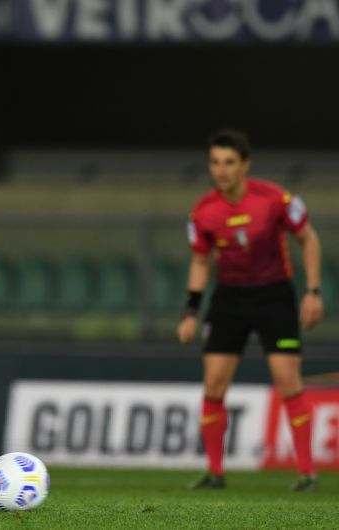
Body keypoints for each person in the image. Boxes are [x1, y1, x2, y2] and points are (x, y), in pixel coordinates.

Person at [177, 129, 322, 492]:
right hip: (229, 300)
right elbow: (199, 262)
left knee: (289, 382)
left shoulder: (275, 199)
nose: (221, 170)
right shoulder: (204, 212)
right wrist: (191, 311)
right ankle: (215, 472)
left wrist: (313, 292)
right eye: (215, 162)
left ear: (245, 165)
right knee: (213, 384)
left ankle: (306, 472)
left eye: (229, 162)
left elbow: (308, 238)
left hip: (274, 297)